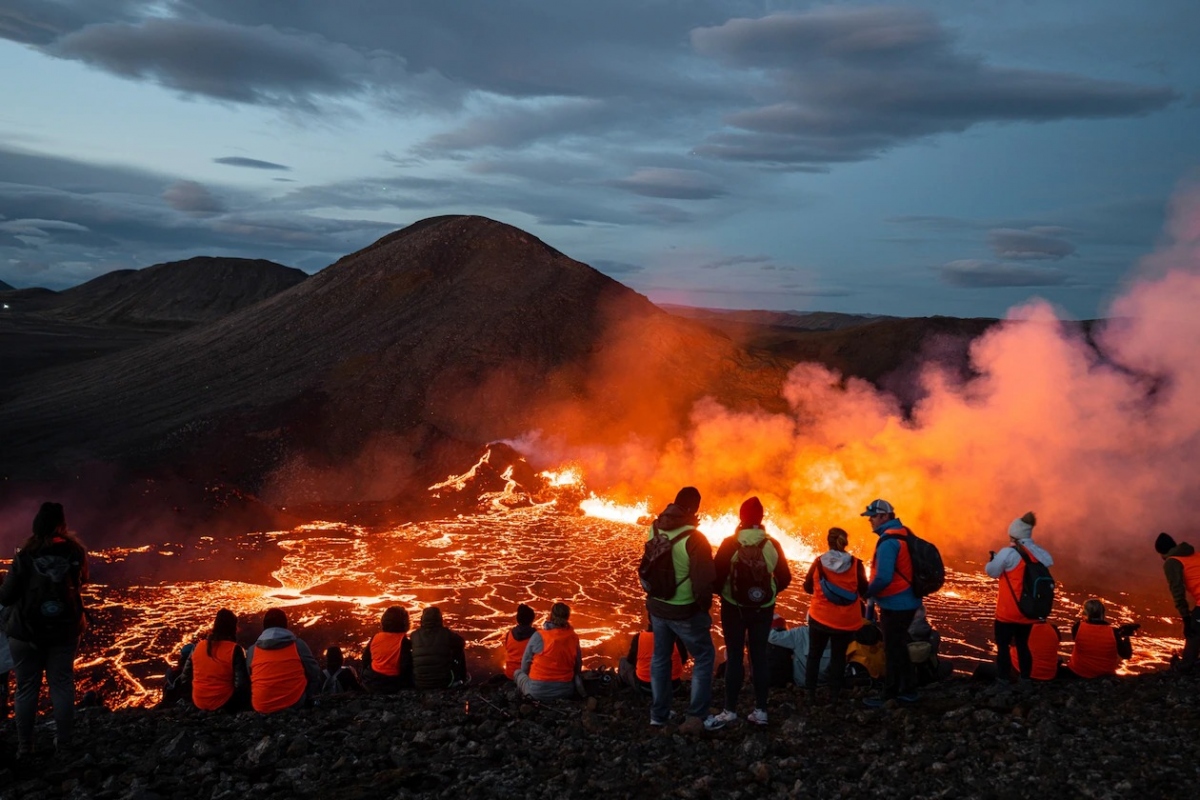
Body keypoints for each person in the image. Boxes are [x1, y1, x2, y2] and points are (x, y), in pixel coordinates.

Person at [0, 502, 89, 759]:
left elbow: (6, 596)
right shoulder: (75, 552)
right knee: (61, 685)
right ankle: (64, 745)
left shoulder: (25, 554)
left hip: (26, 632)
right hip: (64, 631)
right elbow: (83, 580)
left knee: (27, 688)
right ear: (62, 522)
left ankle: (25, 746)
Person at [706, 496, 791, 729]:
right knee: (759, 656)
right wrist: (767, 594)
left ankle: (730, 710)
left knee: (735, 655)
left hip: (734, 608)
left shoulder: (730, 543)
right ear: (761, 518)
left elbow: (716, 578)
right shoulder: (773, 545)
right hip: (763, 610)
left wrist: (727, 594)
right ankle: (761, 710)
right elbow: (785, 578)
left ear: (741, 517)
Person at [642, 486, 717, 735]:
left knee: (660, 659)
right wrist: (703, 608)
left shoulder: (654, 527)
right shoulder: (695, 539)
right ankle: (697, 716)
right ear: (695, 509)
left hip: (656, 606)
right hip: (685, 610)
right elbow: (704, 581)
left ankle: (658, 716)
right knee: (704, 657)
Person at [861, 498, 921, 706]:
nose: (870, 521)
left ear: (884, 516)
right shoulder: (904, 534)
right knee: (899, 646)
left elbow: (884, 577)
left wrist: (867, 592)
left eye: (873, 517)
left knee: (893, 649)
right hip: (908, 601)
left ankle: (891, 694)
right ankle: (908, 690)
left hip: (896, 604)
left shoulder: (889, 542)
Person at [984, 512, 1053, 690]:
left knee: (1003, 646)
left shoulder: (1009, 553)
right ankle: (1025, 679)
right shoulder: (1040, 554)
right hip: (1029, 611)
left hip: (1008, 612)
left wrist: (993, 560)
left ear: (1013, 534)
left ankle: (1003, 680)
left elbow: (991, 571)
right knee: (1023, 645)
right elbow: (1047, 563)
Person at [801, 526, 868, 704]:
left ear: (828, 542)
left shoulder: (818, 563)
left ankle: (810, 694)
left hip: (820, 618)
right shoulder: (856, 564)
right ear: (845, 542)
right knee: (839, 657)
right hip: (845, 621)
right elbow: (864, 590)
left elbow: (807, 587)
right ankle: (834, 696)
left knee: (814, 655)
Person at [245, 608, 321, 713]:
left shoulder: (252, 651)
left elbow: (249, 677)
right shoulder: (298, 645)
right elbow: (315, 673)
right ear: (285, 626)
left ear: (265, 627)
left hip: (261, 706)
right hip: (295, 703)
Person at [181, 608, 249, 711]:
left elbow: (185, 678)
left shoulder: (198, 647)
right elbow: (241, 685)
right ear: (232, 628)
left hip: (198, 701)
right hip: (225, 703)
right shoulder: (234, 650)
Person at [514, 602, 584, 700]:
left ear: (551, 616)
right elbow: (578, 665)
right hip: (565, 691)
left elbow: (524, 665)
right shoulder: (574, 638)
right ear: (567, 617)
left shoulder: (539, 636)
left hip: (536, 691)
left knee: (517, 673)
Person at [1155, 532, 1199, 673]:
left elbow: (1177, 591)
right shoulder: (1195, 555)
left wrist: (1186, 618)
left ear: (1162, 552)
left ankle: (1184, 670)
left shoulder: (1172, 562)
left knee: (1194, 633)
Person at [1061, 600, 1133, 679]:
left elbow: (1091, 639)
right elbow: (1126, 655)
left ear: (1085, 613)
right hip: (1105, 676)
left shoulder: (1077, 627)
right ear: (1103, 613)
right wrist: (1126, 636)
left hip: (1077, 672)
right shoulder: (1113, 632)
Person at [619, 620, 688, 693]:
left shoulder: (639, 638)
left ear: (649, 621)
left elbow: (631, 660)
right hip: (673, 687)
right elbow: (683, 659)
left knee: (623, 662)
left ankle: (621, 689)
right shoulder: (676, 638)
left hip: (645, 688)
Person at [410, 606, 467, 689]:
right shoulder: (446, 633)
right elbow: (461, 642)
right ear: (440, 619)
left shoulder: (414, 635)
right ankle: (462, 678)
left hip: (419, 683)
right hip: (444, 682)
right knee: (460, 650)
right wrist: (453, 658)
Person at [767, 618, 832, 689]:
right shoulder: (838, 637)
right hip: (825, 682)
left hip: (801, 682)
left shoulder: (800, 633)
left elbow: (772, 637)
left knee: (778, 642)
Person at [362, 606, 413, 693]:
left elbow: (365, 659)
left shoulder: (376, 637)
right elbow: (406, 667)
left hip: (371, 683)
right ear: (405, 622)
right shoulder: (403, 641)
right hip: (392, 684)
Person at [501, 603, 537, 681]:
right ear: (532, 619)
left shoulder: (509, 634)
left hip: (510, 674)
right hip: (527, 675)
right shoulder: (536, 636)